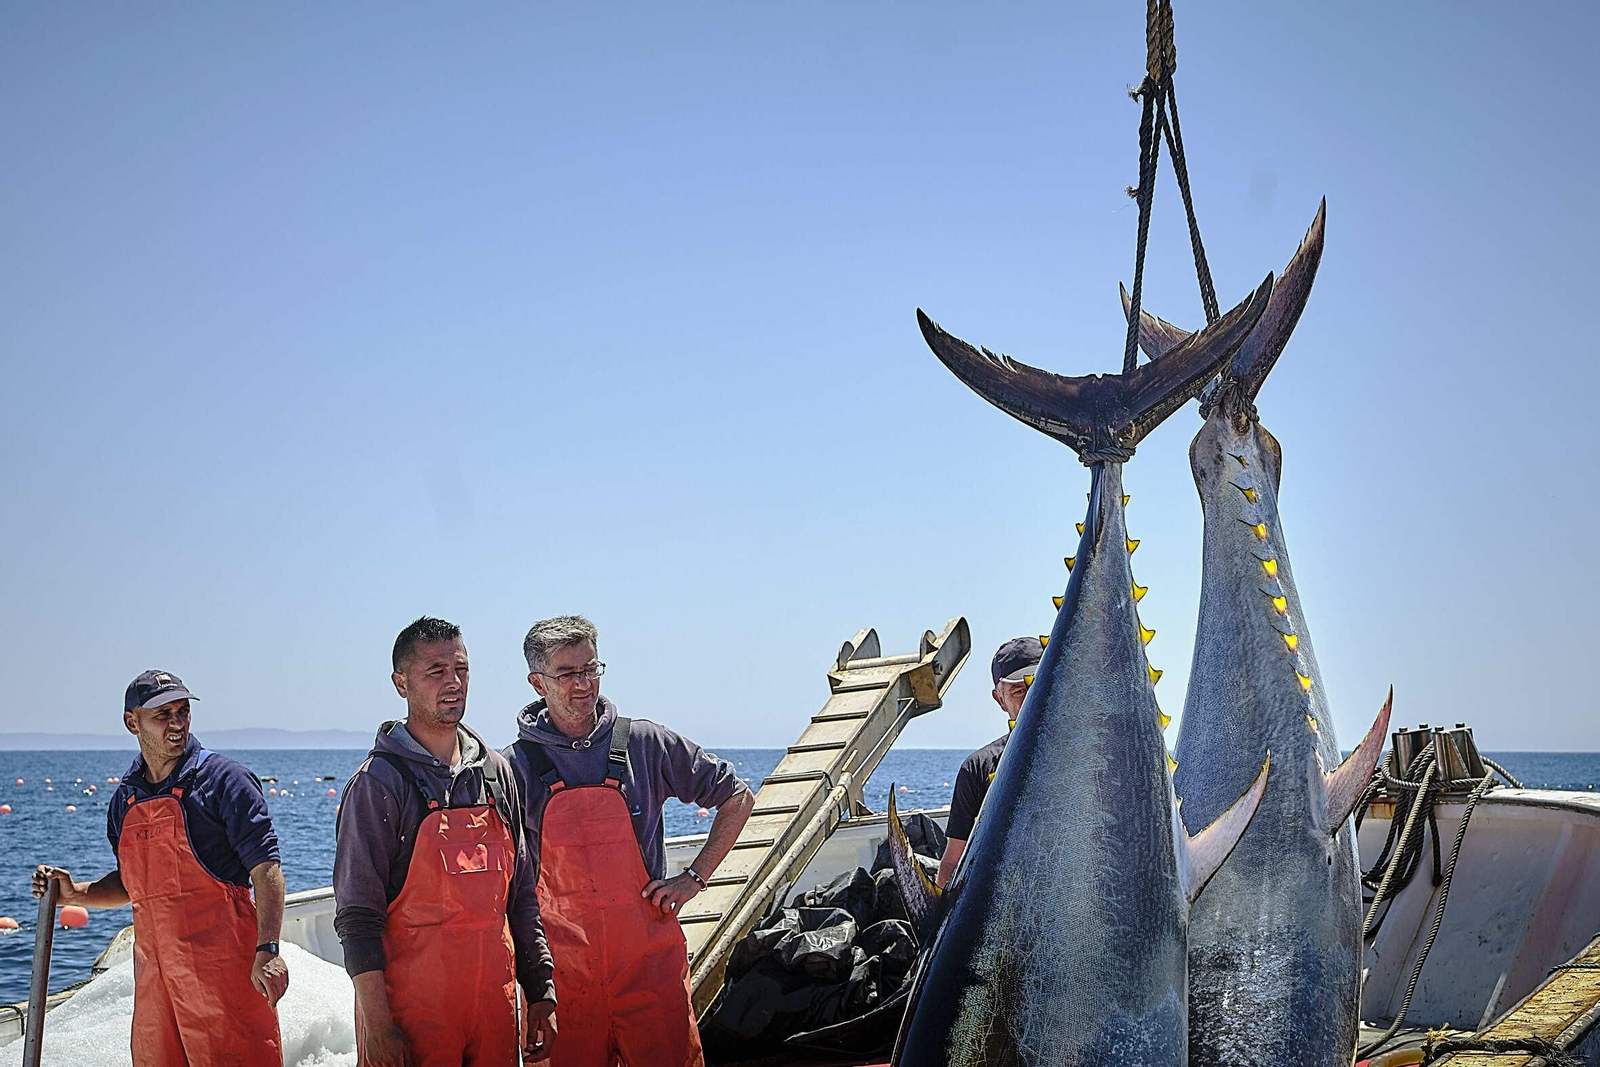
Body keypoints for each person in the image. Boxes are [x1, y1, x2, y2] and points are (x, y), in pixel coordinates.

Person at [505, 615, 756, 1067]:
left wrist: (694, 878)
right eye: (567, 674)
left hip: (648, 968)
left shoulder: (646, 743)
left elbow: (737, 797)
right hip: (562, 980)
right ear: (537, 683)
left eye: (591, 669)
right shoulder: (512, 768)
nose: (583, 684)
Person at [32, 670, 288, 1067]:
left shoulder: (225, 781)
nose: (177, 723)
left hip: (226, 978)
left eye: (183, 711)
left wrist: (268, 948)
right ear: (131, 722)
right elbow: (134, 884)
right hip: (155, 985)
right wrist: (75, 893)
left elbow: (266, 869)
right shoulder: (124, 800)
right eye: (162, 714)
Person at [333, 617, 556, 1067]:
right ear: (401, 683)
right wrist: (378, 1026)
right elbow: (357, 918)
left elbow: (522, 897)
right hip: (411, 1021)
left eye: (462, 669)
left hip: (493, 1012)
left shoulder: (498, 775)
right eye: (436, 671)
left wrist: (541, 991)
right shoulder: (379, 784)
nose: (453, 683)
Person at [935, 636, 1043, 889]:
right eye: (1018, 690)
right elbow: (954, 858)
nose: (1030, 696)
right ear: (999, 699)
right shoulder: (977, 768)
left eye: (1037, 684)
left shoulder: (1093, 755)